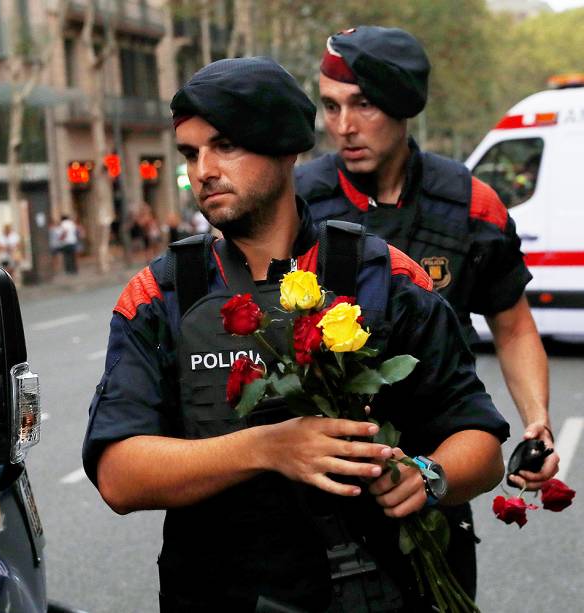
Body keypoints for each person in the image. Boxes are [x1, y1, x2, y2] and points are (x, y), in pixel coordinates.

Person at [83, 56, 508, 612]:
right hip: (218, 596)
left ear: (286, 147)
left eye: (225, 146)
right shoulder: (158, 296)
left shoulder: (387, 277)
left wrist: (429, 476)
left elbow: (479, 441)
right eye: (190, 154)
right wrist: (267, 447)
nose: (203, 170)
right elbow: (119, 474)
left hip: (378, 591)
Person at [295, 25, 558, 597]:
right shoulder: (295, 203)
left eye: (362, 105)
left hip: (442, 471)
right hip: (322, 485)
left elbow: (512, 327)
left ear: (402, 104)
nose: (342, 126)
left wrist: (537, 420)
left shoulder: (471, 203)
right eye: (332, 107)